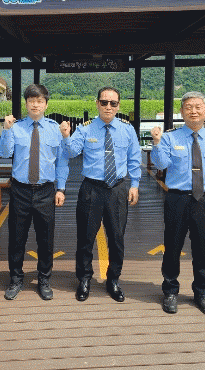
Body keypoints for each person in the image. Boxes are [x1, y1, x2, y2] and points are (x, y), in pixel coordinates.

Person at [60, 87, 140, 303]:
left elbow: (134, 158)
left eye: (113, 103)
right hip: (91, 189)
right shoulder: (85, 129)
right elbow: (72, 152)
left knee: (116, 238)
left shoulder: (127, 129)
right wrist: (66, 137)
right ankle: (84, 279)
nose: (108, 107)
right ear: (97, 104)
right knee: (85, 238)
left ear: (118, 106)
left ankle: (113, 279)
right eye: (104, 102)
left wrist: (135, 184)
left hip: (117, 189)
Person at [150, 92, 205, 316]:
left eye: (198, 107)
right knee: (172, 245)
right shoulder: (170, 138)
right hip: (177, 198)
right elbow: (161, 164)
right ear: (181, 112)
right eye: (188, 107)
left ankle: (202, 292)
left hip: (204, 199)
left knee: (202, 247)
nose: (193, 111)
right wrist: (156, 143)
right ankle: (170, 290)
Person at [0, 84, 69, 301]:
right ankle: (16, 279)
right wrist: (6, 130)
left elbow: (62, 162)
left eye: (39, 101)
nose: (35, 105)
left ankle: (44, 279)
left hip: (46, 191)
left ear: (46, 104)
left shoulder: (55, 129)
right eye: (31, 101)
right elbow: (4, 152)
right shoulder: (16, 127)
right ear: (26, 104)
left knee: (45, 239)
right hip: (20, 190)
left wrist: (61, 188)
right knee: (16, 238)